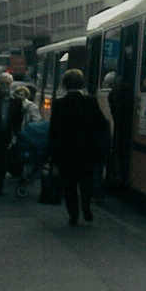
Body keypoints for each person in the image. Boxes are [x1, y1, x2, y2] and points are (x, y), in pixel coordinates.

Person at [49, 69, 107, 226]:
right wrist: (100, 149)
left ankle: (73, 214)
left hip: (66, 153)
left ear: (65, 85)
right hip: (87, 152)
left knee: (69, 185)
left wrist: (53, 157)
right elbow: (102, 125)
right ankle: (86, 207)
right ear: (82, 83)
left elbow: (53, 132)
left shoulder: (59, 104)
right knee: (86, 182)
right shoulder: (91, 102)